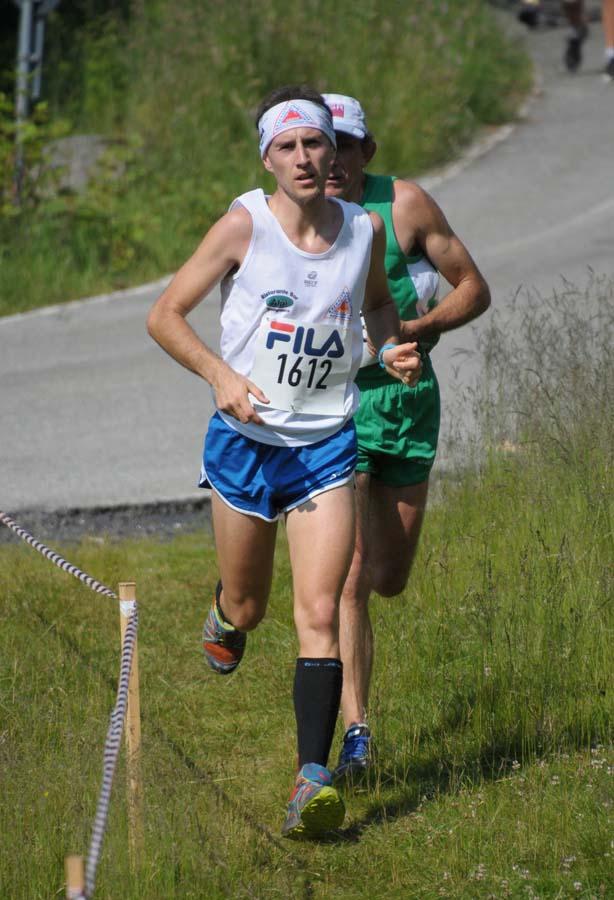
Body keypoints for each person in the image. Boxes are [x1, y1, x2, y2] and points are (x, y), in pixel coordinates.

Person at [147, 85, 422, 837]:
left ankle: (310, 780)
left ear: (335, 151)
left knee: (320, 614)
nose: (304, 158)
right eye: (288, 146)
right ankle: (226, 612)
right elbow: (164, 315)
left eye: (315, 144)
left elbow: (376, 308)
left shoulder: (363, 230)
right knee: (251, 607)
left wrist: (391, 344)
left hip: (327, 444)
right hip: (245, 445)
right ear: (267, 158)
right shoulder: (244, 226)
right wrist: (220, 375)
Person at [322, 93, 491, 780]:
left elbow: (473, 289)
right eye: (318, 144)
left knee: (389, 578)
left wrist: (416, 329)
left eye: (345, 145)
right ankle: (356, 731)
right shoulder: (297, 221)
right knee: (352, 573)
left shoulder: (407, 206)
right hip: (338, 407)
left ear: (368, 151)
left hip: (410, 402)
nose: (330, 159)